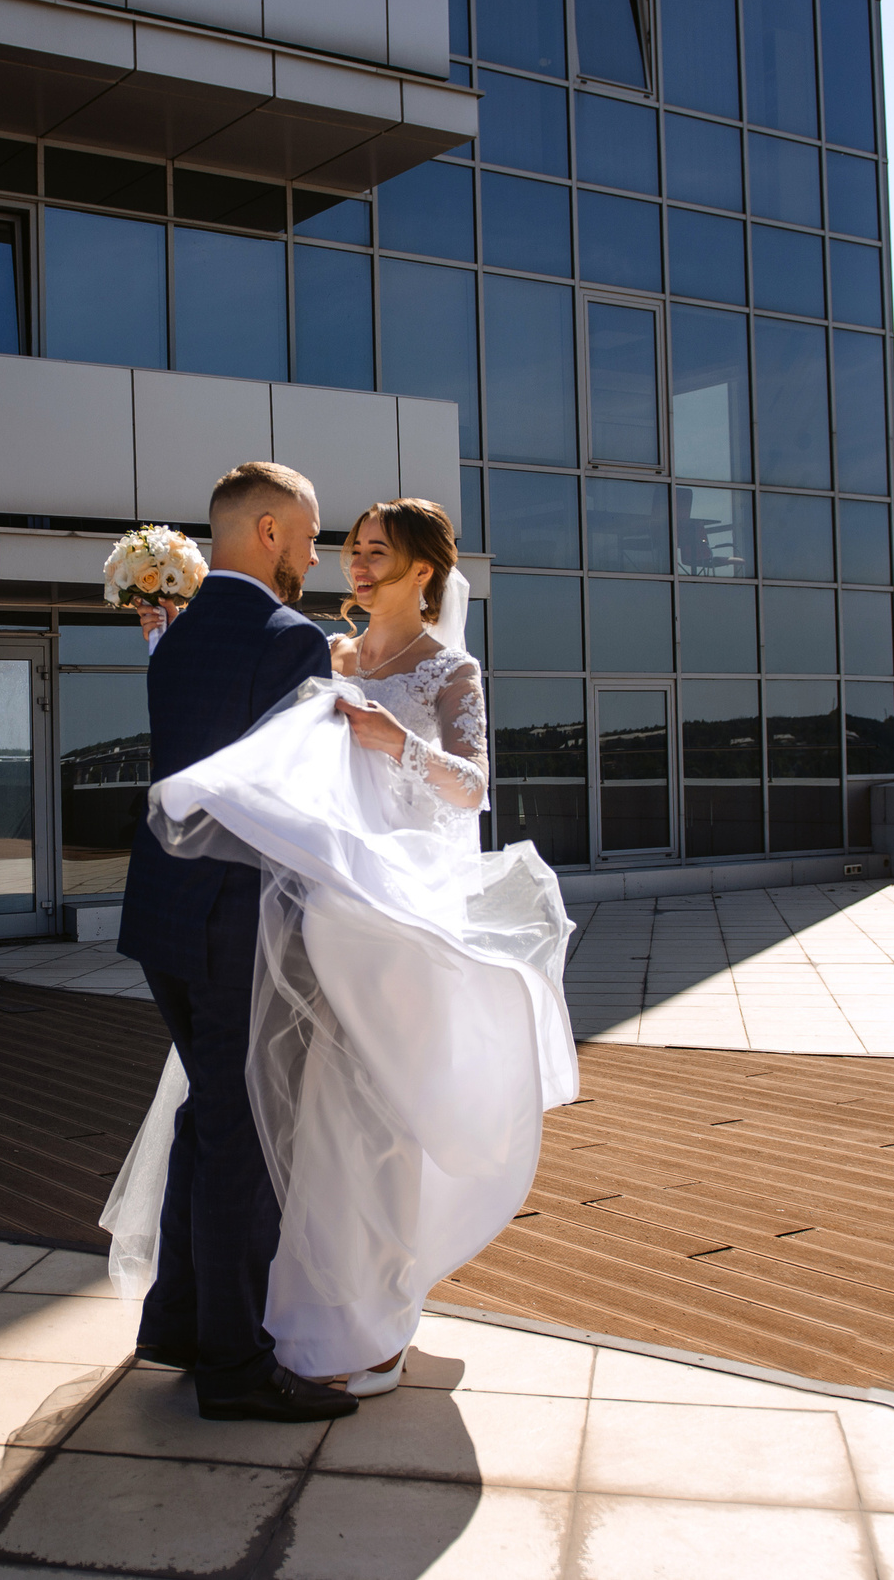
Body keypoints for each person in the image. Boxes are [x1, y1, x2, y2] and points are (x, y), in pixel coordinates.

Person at [103, 496, 578, 1403]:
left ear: (423, 572)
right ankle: (283, 1321)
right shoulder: (327, 653)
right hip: (316, 914)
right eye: (352, 551)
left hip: (400, 912)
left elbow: (474, 788)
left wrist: (396, 739)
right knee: (300, 1118)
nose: (353, 568)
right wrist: (170, 639)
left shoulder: (451, 670)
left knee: (376, 1116)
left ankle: (365, 1317)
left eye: (374, 555)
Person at [114, 460, 358, 1424]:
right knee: (245, 1138)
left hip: (164, 917)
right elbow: (294, 802)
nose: (311, 550)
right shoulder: (290, 638)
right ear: (265, 532)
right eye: (304, 533)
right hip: (237, 922)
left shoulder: (171, 641)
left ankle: (177, 1322)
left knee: (205, 1120)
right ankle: (235, 1366)